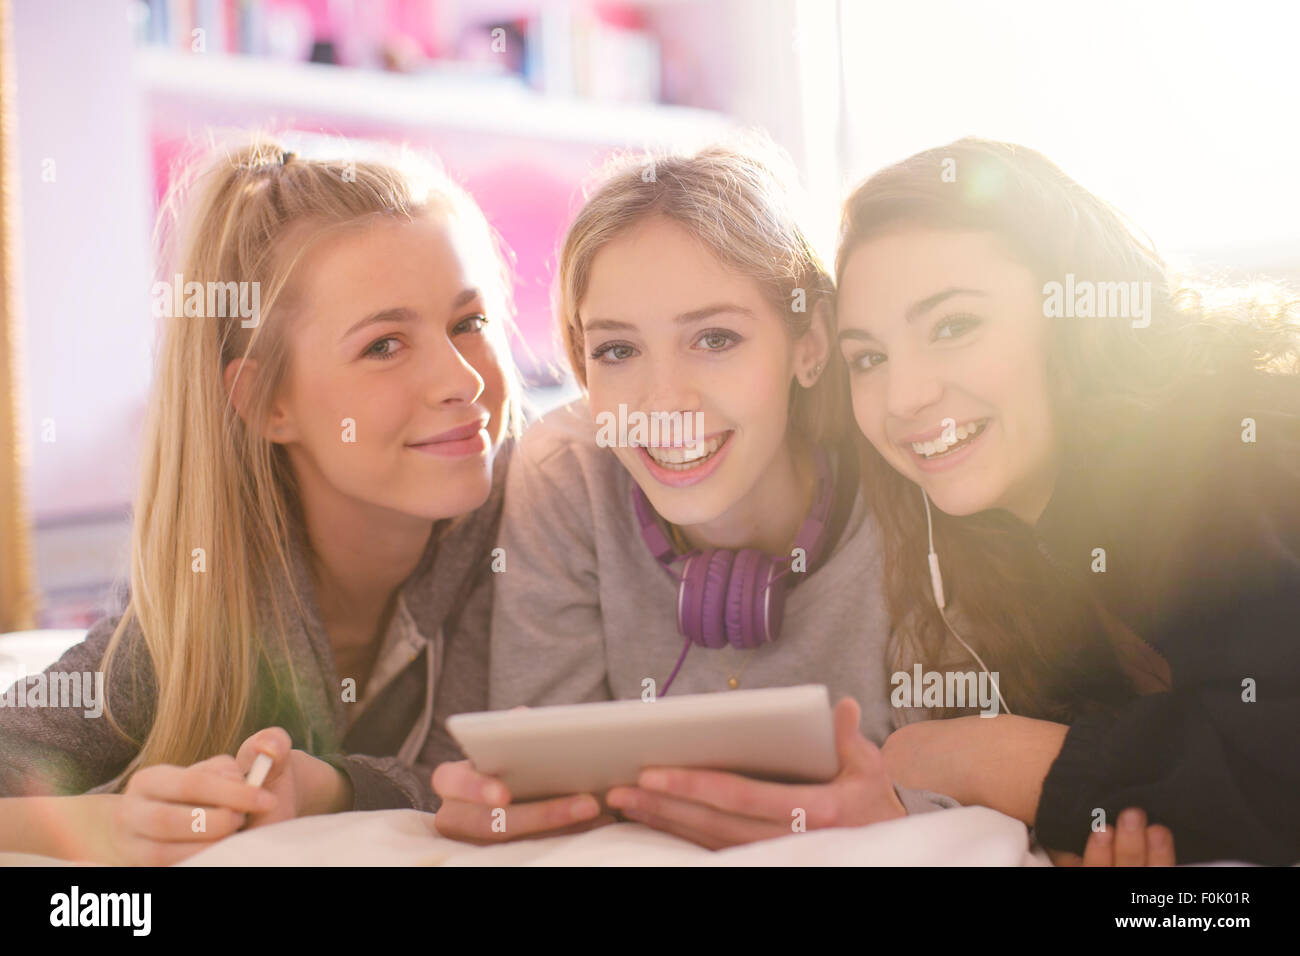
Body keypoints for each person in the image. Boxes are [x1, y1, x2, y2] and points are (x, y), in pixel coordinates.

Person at [0, 138, 520, 864]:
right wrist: (114, 825)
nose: (460, 378)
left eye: (469, 322)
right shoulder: (195, 626)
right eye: (384, 346)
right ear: (265, 402)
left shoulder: (548, 531)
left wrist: (332, 789)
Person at [433, 141, 958, 848]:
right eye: (617, 350)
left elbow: (967, 791)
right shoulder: (566, 473)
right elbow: (549, 790)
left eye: (714, 338)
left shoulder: (903, 472)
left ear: (810, 345)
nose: (663, 402)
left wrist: (901, 816)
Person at [835, 137, 1300, 865]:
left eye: (954, 326)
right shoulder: (1014, 533)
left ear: (1076, 315)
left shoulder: (1225, 458)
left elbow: (1275, 774)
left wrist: (982, 757)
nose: (904, 397)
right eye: (868, 357)